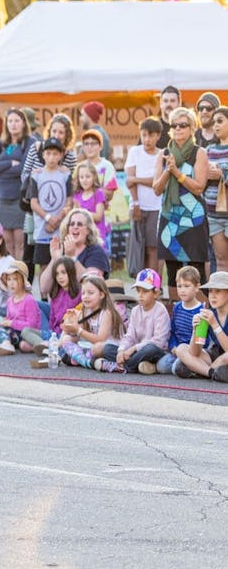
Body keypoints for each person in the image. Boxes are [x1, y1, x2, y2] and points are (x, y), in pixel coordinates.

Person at [152, 106, 209, 290]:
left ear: (192, 128)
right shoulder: (164, 154)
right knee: (172, 268)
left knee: (196, 268)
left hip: (194, 216)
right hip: (170, 215)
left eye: (182, 125)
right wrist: (169, 172)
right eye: (174, 125)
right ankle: (177, 313)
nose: (177, 128)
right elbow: (157, 189)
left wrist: (177, 172)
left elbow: (199, 187)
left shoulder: (199, 153)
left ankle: (200, 316)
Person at [99, 268, 171, 374]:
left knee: (150, 349)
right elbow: (130, 336)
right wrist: (121, 350)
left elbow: (159, 341)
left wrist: (133, 349)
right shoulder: (135, 310)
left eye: (145, 291)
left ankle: (124, 366)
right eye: (138, 291)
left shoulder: (160, 310)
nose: (140, 295)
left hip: (154, 351)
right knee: (107, 349)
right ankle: (135, 366)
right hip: (137, 352)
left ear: (156, 293)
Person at [0, 107, 32, 261]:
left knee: (19, 242)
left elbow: (24, 168)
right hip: (3, 198)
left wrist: (4, 169)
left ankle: (19, 274)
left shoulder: (29, 142)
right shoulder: (1, 144)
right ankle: (9, 274)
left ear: (23, 123)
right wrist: (9, 163)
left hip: (19, 198)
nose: (13, 124)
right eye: (10, 121)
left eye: (17, 121)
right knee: (6, 241)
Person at [26, 138, 74, 276]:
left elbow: (69, 201)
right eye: (48, 153)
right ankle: (44, 297)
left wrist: (57, 220)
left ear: (61, 155)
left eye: (55, 154)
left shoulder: (65, 174)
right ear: (43, 155)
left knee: (62, 264)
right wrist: (48, 218)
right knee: (44, 265)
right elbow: (33, 203)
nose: (51, 157)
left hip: (60, 229)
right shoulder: (36, 175)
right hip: (42, 229)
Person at [56, 274, 124, 370]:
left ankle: (81, 359)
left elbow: (100, 339)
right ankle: (89, 362)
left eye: (90, 293)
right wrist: (70, 324)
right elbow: (77, 337)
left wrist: (78, 330)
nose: (85, 297)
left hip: (109, 347)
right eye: (83, 293)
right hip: (92, 348)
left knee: (97, 347)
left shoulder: (106, 313)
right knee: (66, 339)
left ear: (101, 295)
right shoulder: (86, 310)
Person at [172, 270, 228, 382]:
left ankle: (200, 370)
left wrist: (215, 325)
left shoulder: (213, 318)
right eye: (211, 291)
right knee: (181, 349)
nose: (213, 296)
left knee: (225, 358)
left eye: (218, 291)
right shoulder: (209, 313)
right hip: (215, 354)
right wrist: (195, 330)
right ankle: (211, 373)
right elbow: (194, 352)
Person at [126, 117, 164, 276]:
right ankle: (140, 282)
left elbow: (158, 182)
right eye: (144, 135)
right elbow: (129, 180)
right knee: (137, 247)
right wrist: (135, 203)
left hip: (156, 207)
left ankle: (152, 282)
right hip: (137, 206)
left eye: (151, 135)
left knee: (152, 247)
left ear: (158, 136)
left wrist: (137, 179)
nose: (147, 139)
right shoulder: (135, 152)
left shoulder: (161, 155)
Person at [0, 261, 42, 355]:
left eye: (15, 279)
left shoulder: (28, 300)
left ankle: (5, 343)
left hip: (23, 334)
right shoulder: (10, 300)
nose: (11, 283)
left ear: (23, 280)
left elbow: (31, 325)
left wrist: (11, 323)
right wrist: (3, 320)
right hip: (12, 330)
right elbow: (10, 319)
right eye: (9, 279)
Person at [157, 265, 204, 375]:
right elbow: (173, 331)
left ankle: (192, 367)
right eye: (179, 286)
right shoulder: (177, 307)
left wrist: (190, 352)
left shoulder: (201, 310)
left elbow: (203, 339)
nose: (182, 290)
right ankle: (189, 368)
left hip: (194, 351)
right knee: (161, 366)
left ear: (197, 287)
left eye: (187, 286)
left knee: (177, 365)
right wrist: (173, 347)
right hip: (177, 351)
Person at [203, 106, 228, 273]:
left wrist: (222, 174)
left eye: (220, 121)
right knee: (221, 261)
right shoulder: (208, 150)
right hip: (213, 214)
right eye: (214, 122)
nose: (216, 125)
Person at [73, 161, 110, 247]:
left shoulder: (98, 193)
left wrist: (82, 212)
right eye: (81, 177)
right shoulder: (77, 195)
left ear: (94, 177)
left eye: (88, 177)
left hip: (96, 238)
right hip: (82, 239)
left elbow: (98, 216)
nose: (84, 180)